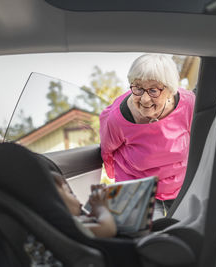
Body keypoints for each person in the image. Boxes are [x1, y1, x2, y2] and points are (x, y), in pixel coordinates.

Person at [100, 54, 195, 219]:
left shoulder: (188, 104)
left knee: (183, 232)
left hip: (179, 183)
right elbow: (107, 152)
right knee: (145, 240)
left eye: (153, 90)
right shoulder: (118, 118)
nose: (144, 99)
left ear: (170, 90)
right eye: (137, 88)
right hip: (136, 187)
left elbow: (200, 143)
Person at [51, 171, 117, 238]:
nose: (75, 196)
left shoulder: (77, 219)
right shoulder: (68, 225)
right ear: (57, 203)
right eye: (70, 193)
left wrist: (95, 211)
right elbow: (107, 230)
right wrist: (100, 207)